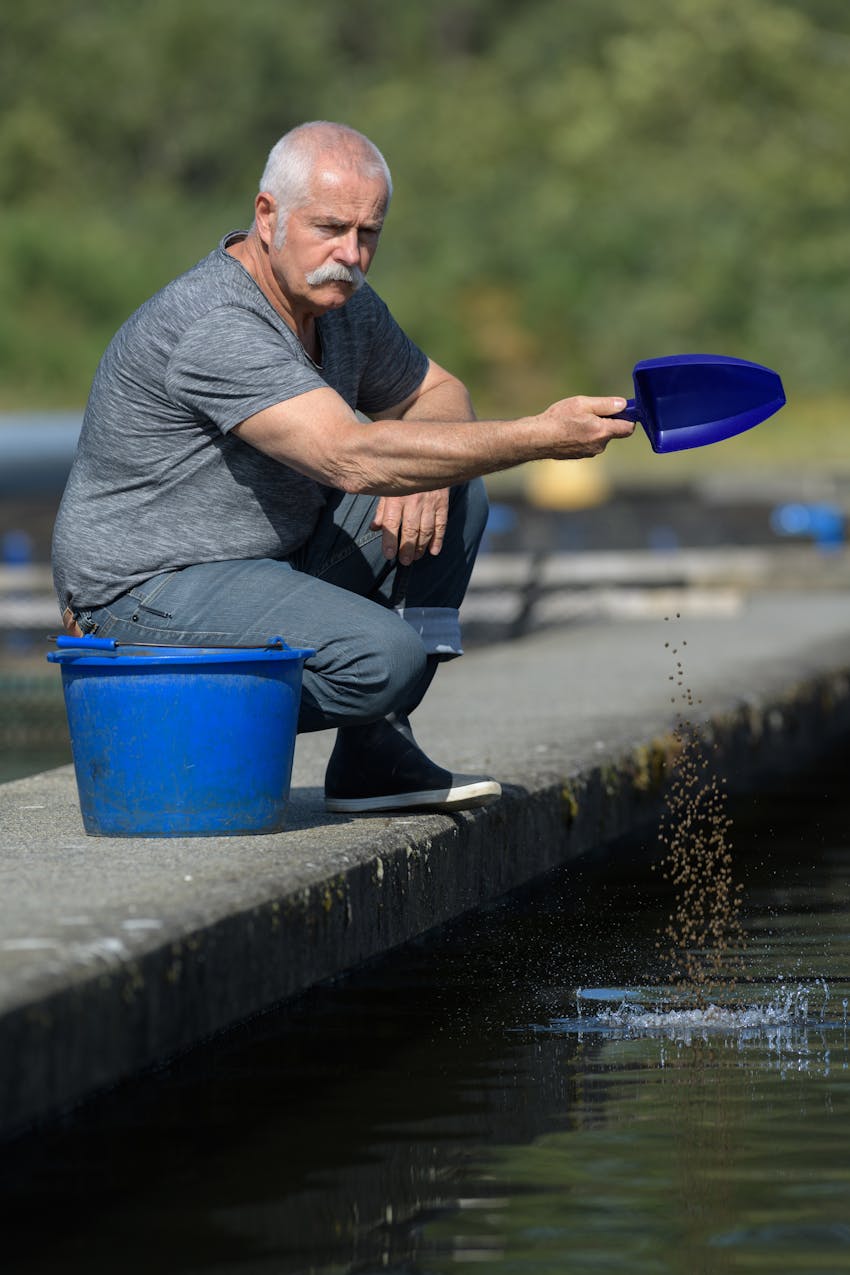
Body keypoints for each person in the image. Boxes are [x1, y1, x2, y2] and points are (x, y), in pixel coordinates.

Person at [51, 121, 634, 815]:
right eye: (330, 228)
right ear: (268, 216)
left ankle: (374, 756)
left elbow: (437, 393)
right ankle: (168, 708)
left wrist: (431, 465)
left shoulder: (343, 304)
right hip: (143, 590)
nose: (349, 255)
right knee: (384, 660)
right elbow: (346, 456)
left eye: (369, 234)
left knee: (458, 491)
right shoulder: (216, 324)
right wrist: (541, 435)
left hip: (262, 559)